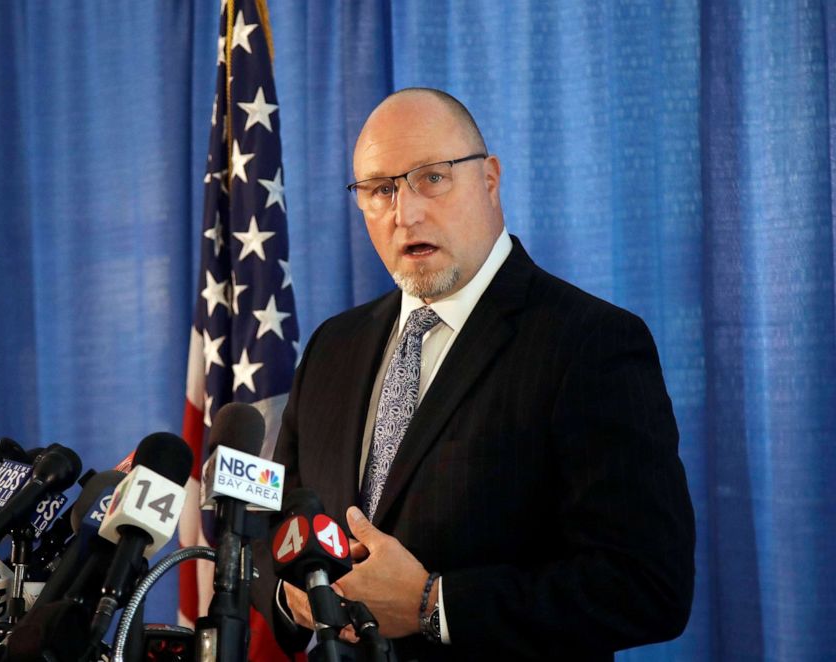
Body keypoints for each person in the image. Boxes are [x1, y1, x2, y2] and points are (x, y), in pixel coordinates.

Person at [254, 87, 695, 661]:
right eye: (380, 190)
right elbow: (269, 529)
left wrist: (432, 606)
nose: (404, 213)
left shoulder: (589, 342)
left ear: (489, 179)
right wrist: (297, 599)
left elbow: (648, 586)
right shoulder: (333, 347)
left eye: (432, 178)